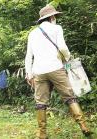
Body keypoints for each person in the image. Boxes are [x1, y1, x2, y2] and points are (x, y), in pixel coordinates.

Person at [25, 5, 93, 139]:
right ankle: (83, 126)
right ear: (51, 17)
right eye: (55, 16)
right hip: (56, 68)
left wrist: (29, 73)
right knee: (70, 97)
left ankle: (42, 134)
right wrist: (67, 59)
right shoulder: (57, 28)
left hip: (38, 71)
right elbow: (62, 48)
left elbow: (28, 56)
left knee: (40, 102)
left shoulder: (32, 33)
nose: (55, 18)